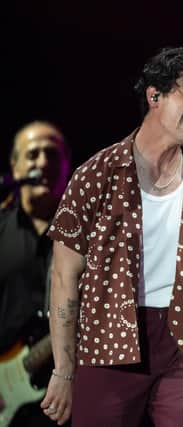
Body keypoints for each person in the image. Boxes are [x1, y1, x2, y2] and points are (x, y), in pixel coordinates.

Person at [40, 47, 183, 426]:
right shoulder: (96, 174)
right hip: (109, 336)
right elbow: (65, 279)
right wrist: (63, 371)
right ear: (154, 96)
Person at [0, 121, 71, 427]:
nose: (42, 162)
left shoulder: (91, 235)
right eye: (32, 155)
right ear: (14, 168)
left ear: (67, 165)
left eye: (52, 154)